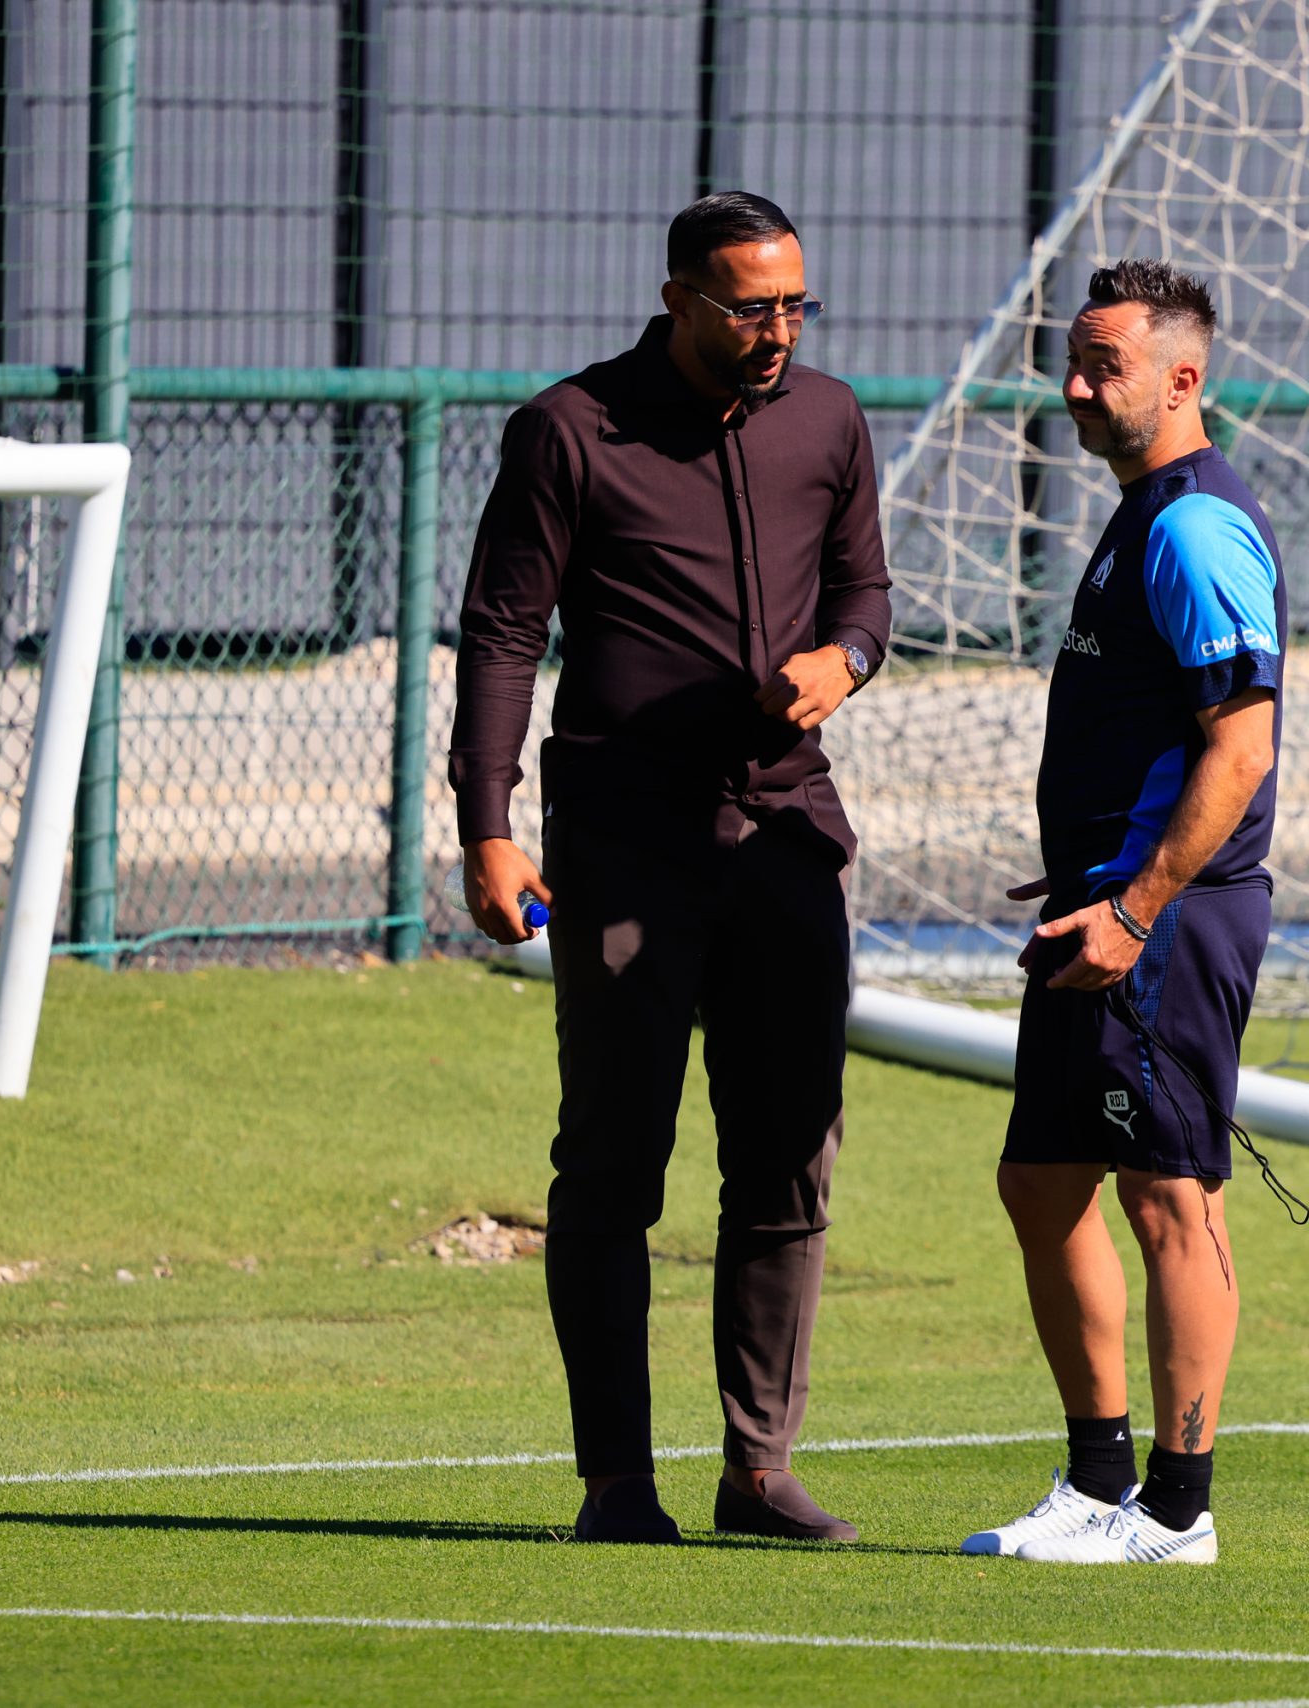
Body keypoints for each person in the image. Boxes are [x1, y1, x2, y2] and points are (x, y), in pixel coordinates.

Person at [448, 192, 890, 1545]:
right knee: (615, 1165)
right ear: (678, 297)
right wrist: (488, 821)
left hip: (787, 838)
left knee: (788, 1158)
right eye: (752, 307)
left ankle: (758, 1471)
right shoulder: (569, 431)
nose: (778, 333)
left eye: (794, 307)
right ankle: (615, 1484)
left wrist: (842, 663)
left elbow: (867, 598)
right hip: (627, 849)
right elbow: (503, 633)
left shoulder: (829, 420)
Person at [960, 259, 1284, 1566]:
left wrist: (1141, 907)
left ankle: (1176, 1509)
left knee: (1171, 1197)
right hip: (1101, 907)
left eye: (1105, 368)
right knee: (1042, 1184)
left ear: (1184, 377)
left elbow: (1240, 747)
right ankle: (1097, 1486)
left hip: (1166, 921)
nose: (1077, 390)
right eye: (1074, 365)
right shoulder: (1140, 509)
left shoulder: (1195, 526)